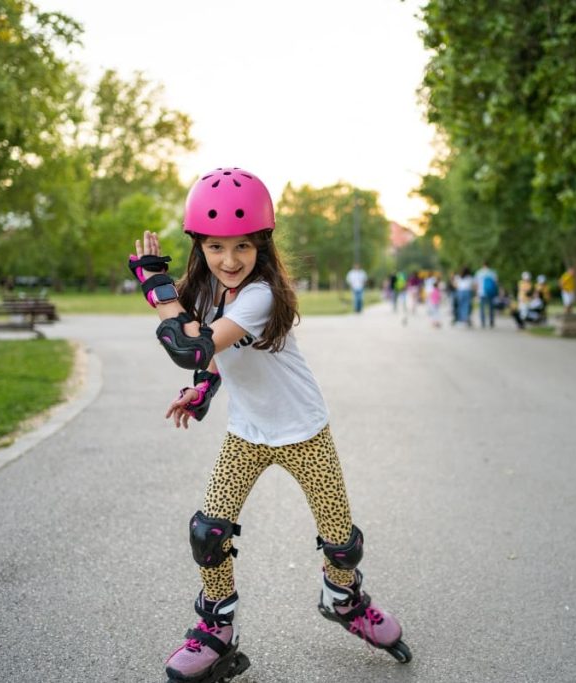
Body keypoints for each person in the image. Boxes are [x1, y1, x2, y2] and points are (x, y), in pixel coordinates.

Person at [127, 167, 410, 683]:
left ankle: (344, 599)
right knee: (208, 532)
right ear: (199, 246)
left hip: (304, 432)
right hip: (247, 434)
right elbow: (207, 354)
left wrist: (158, 290)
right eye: (215, 247)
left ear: (262, 245)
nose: (229, 261)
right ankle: (216, 628)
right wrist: (203, 388)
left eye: (242, 247)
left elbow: (190, 343)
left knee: (341, 541)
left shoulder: (259, 295)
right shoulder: (207, 291)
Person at [475, 263, 498, 328]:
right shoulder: (492, 272)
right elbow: (496, 282)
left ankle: (483, 322)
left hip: (481, 292)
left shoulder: (479, 272)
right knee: (491, 307)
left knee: (482, 308)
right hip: (490, 292)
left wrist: (476, 293)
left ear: (483, 265)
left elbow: (476, 283)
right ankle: (491, 322)